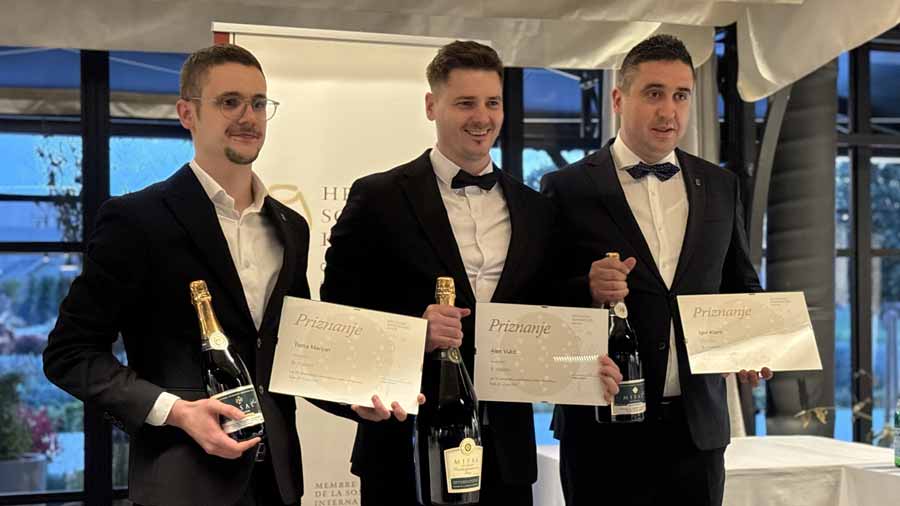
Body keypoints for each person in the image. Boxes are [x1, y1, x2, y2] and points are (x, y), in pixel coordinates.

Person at [42, 44, 407, 506]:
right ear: (187, 113)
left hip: (279, 482)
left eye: (258, 103)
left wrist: (352, 395)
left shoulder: (291, 226)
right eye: (229, 102)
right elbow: (69, 353)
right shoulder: (136, 220)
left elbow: (290, 352)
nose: (248, 117)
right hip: (183, 482)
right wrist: (176, 411)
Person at [321, 41, 618, 506]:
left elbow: (547, 312)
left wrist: (588, 338)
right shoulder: (378, 198)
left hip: (506, 455)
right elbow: (339, 314)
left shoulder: (536, 209)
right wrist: (413, 332)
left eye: (492, 103)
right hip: (405, 445)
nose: (482, 117)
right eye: (465, 103)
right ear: (431, 106)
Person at [541, 34, 773, 506]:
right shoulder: (566, 187)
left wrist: (754, 342)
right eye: (654, 93)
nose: (669, 111)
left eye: (681, 95)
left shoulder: (721, 185)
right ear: (618, 99)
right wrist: (586, 287)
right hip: (600, 430)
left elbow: (741, 283)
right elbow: (537, 298)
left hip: (697, 430)